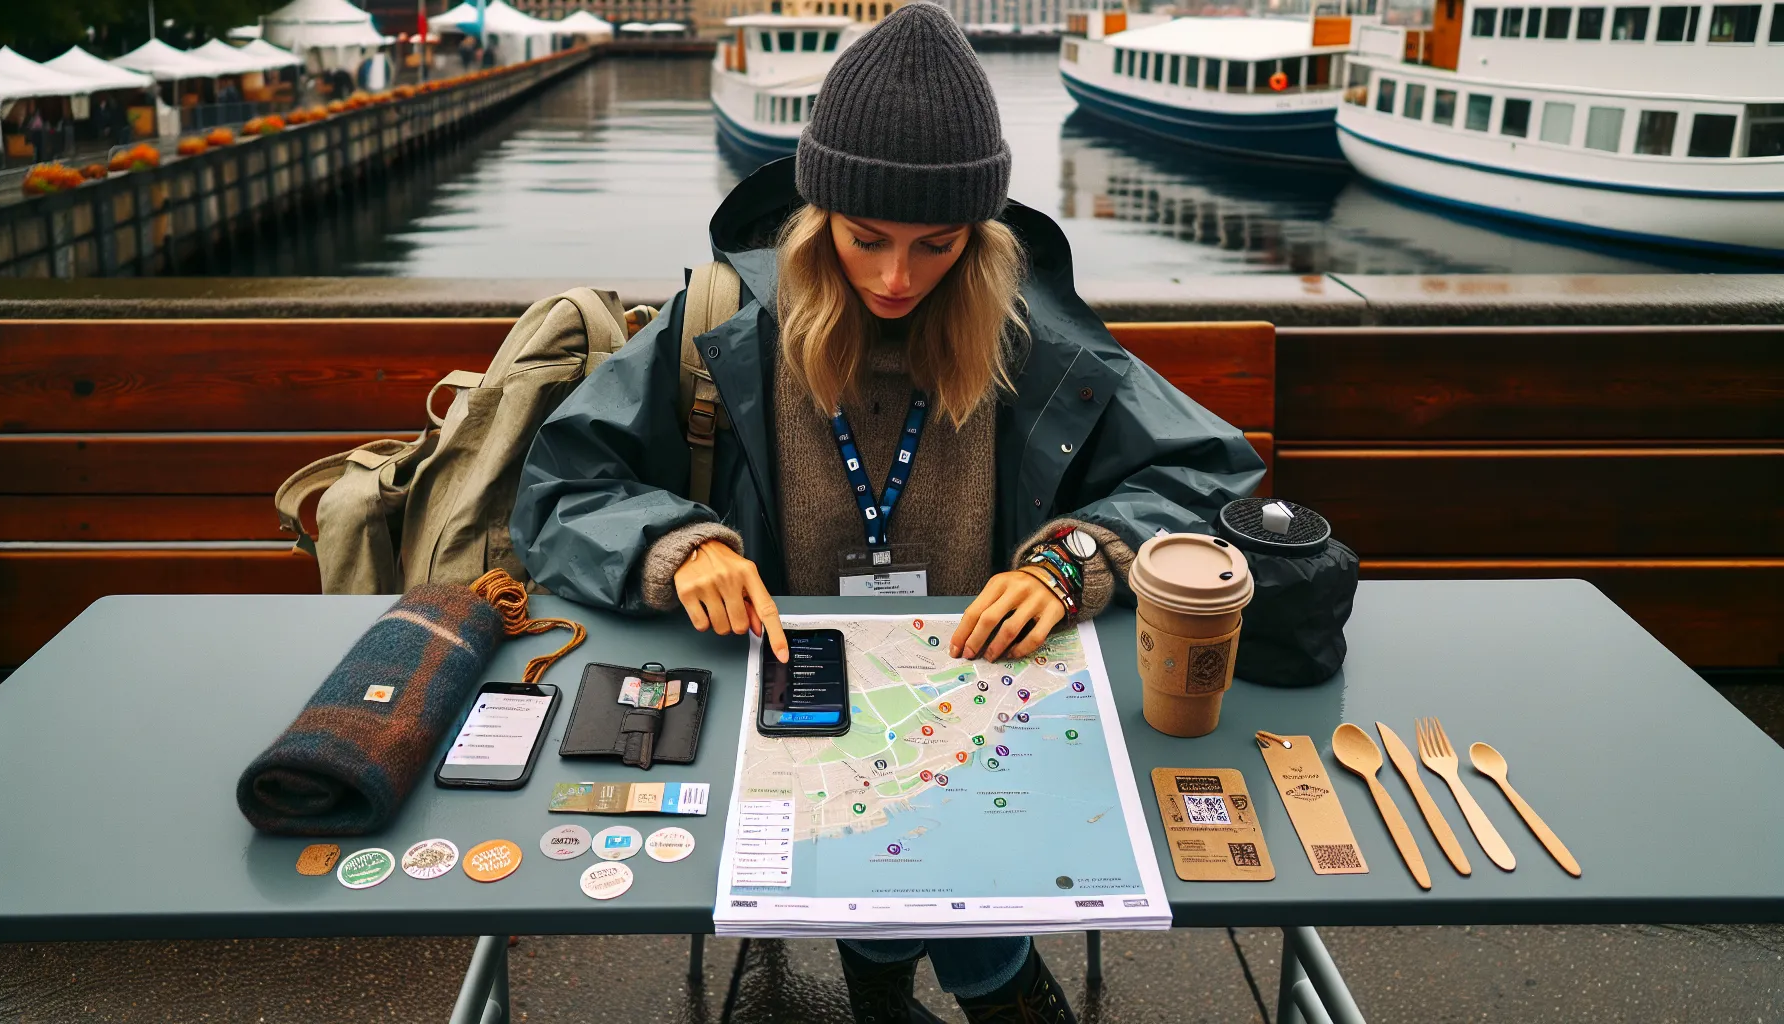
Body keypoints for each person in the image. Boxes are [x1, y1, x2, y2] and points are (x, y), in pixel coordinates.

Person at [510, 5, 1263, 1022]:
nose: (897, 278)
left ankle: (939, 982)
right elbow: (560, 485)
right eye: (865, 240)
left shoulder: (1032, 334)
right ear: (818, 218)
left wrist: (1069, 559)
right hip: (791, 689)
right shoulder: (719, 323)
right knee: (893, 857)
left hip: (978, 686)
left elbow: (1206, 474)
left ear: (979, 235)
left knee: (956, 854)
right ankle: (915, 980)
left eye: (936, 244)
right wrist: (673, 545)